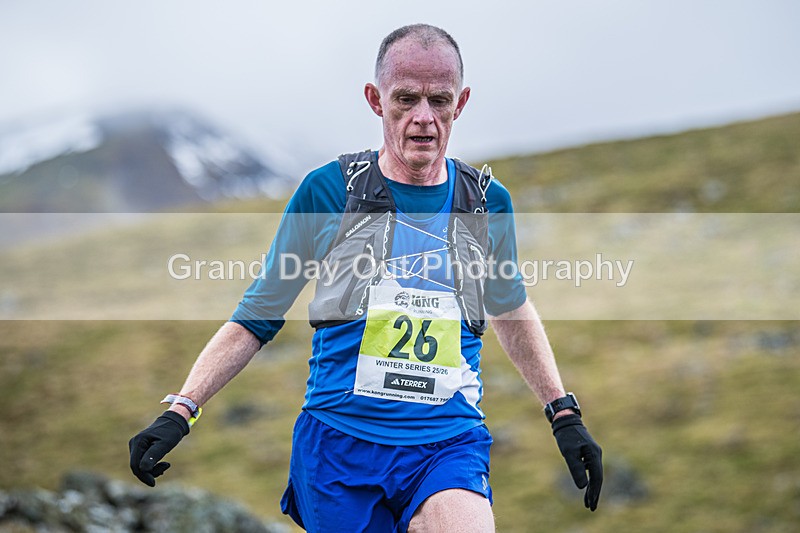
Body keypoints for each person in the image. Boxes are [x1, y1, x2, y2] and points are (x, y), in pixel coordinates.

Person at [129, 23, 603, 532]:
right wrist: (182, 409)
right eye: (406, 99)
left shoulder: (486, 203)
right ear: (376, 100)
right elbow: (258, 315)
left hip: (446, 442)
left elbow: (510, 308)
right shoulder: (327, 192)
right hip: (339, 447)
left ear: (461, 102)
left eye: (439, 101)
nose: (424, 118)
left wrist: (563, 414)